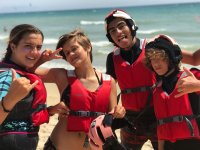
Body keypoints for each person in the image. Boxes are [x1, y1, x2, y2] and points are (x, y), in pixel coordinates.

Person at [104, 9, 200, 150]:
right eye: (112, 31)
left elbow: (194, 59)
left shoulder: (153, 47)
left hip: (157, 119)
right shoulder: (112, 58)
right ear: (111, 38)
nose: (118, 32)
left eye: (121, 26)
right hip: (131, 122)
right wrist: (114, 109)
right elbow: (110, 86)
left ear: (131, 26)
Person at [32, 29, 125, 150]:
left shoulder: (109, 82)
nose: (70, 54)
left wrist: (120, 112)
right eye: (67, 53)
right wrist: (42, 60)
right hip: (59, 146)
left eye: (74, 49)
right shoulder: (62, 76)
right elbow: (28, 71)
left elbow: (111, 119)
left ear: (88, 47)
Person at [0, 24, 64, 150]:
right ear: (13, 46)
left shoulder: (20, 72)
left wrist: (50, 110)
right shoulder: (8, 76)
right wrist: (10, 99)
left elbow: (20, 112)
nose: (35, 52)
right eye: (28, 46)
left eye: (38, 47)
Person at [144, 34, 200, 150]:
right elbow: (161, 125)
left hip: (193, 144)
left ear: (171, 58)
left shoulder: (191, 76)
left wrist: (197, 85)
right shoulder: (157, 88)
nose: (156, 64)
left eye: (160, 58)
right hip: (169, 145)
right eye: (153, 59)